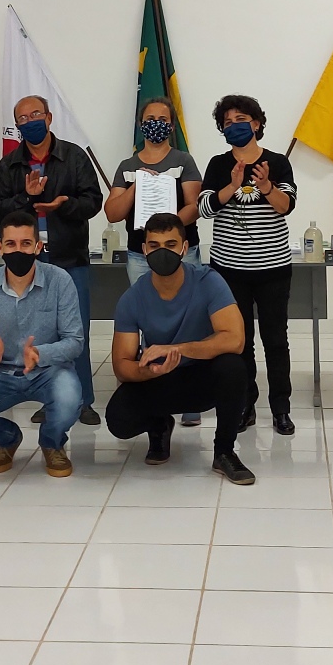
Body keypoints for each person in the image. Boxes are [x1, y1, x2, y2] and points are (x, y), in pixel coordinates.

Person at [105, 213, 255, 485]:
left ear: (185, 248)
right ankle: (159, 424)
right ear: (144, 249)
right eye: (154, 245)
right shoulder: (132, 298)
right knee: (118, 419)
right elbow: (122, 365)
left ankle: (224, 452)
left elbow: (235, 339)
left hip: (202, 376)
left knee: (233, 366)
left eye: (171, 245)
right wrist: (150, 371)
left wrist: (177, 349)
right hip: (159, 377)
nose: (162, 252)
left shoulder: (208, 281)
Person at [0, 95, 105, 424]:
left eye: (35, 115)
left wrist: (61, 206)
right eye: (22, 119)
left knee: (75, 332)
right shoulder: (10, 164)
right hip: (28, 263)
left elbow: (93, 201)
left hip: (69, 257)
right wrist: (26, 198)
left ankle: (82, 400)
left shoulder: (74, 156)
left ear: (49, 117)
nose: (30, 122)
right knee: (41, 334)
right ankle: (52, 399)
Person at [0, 212, 84, 478]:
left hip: (49, 371)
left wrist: (41, 353)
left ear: (38, 247)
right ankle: (7, 438)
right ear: (0, 247)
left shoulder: (60, 281)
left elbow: (74, 341)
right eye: (11, 244)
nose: (18, 250)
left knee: (70, 400)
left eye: (25, 243)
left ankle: (51, 442)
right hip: (0, 372)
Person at [198, 94, 298, 436]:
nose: (234, 126)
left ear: (256, 123)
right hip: (229, 270)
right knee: (239, 342)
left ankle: (281, 408)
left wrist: (266, 185)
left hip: (273, 268)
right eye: (227, 123)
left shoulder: (277, 163)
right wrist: (231, 185)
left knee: (275, 339)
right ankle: (245, 404)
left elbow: (286, 206)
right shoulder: (217, 165)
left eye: (241, 120)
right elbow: (205, 209)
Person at [104, 96, 202, 284]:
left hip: (182, 252)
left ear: (172, 126)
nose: (156, 123)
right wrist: (137, 185)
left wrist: (163, 230)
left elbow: (195, 207)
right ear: (140, 124)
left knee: (188, 300)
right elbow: (112, 214)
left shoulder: (184, 161)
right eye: (150, 119)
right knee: (144, 301)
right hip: (140, 254)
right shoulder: (127, 166)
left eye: (163, 120)